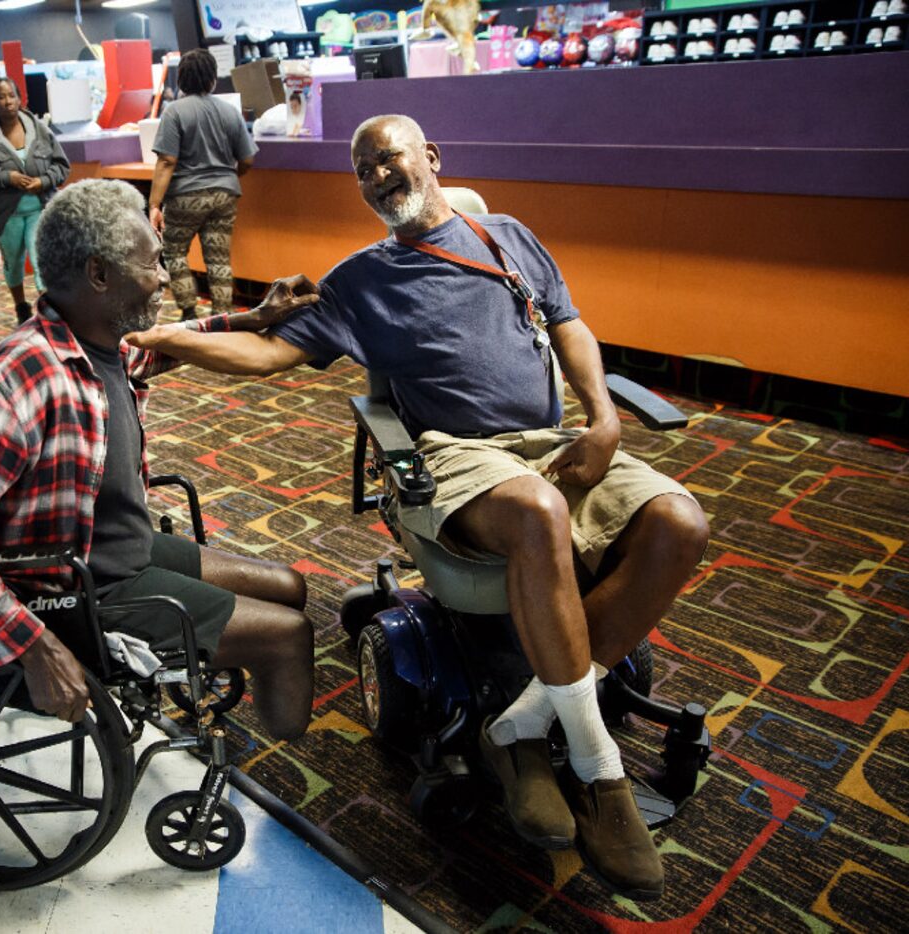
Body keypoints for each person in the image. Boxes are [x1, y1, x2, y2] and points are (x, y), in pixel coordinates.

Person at [126, 114, 710, 900]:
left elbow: (570, 327)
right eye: (362, 170)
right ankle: (601, 772)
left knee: (680, 522)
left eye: (388, 158)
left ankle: (520, 728)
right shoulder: (361, 280)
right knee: (538, 510)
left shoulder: (508, 238)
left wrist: (603, 418)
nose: (376, 177)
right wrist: (173, 336)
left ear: (430, 157)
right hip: (452, 459)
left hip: (547, 439)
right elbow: (269, 354)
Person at [0, 179, 318, 737]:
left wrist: (249, 317)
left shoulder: (99, 342)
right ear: (99, 275)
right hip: (78, 588)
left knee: (289, 586)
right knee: (288, 636)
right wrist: (30, 643)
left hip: (113, 546)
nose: (165, 277)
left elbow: (161, 345)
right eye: (154, 264)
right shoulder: (18, 380)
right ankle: (277, 770)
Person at [148, 48, 257, 320]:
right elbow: (247, 159)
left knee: (175, 253)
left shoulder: (174, 112)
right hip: (225, 195)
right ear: (212, 79)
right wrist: (228, 177)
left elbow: (166, 162)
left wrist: (154, 204)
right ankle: (222, 316)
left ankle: (189, 312)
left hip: (185, 195)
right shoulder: (229, 112)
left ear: (182, 80)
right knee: (218, 258)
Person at [0, 76, 69, 324]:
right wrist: (6, 177)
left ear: (20, 98)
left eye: (11, 95)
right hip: (7, 214)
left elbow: (62, 167)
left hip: (40, 209)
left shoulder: (40, 129)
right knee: (13, 263)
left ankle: (49, 311)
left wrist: (42, 181)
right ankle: (21, 306)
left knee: (40, 259)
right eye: (0, 97)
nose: (7, 102)